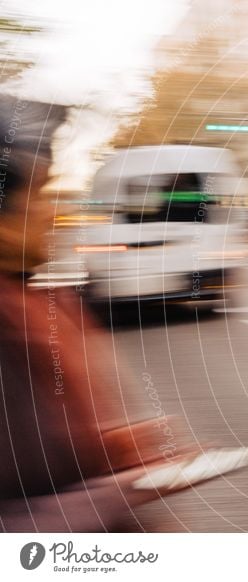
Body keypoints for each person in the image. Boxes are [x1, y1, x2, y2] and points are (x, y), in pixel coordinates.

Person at [0, 95, 177, 532]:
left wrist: (115, 451)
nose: (54, 213)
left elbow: (51, 448)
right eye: (40, 193)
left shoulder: (43, 303)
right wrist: (117, 496)